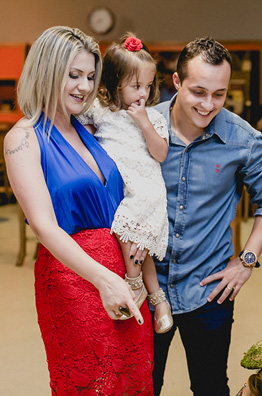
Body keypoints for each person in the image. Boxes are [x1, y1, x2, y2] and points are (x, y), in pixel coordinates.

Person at [4, 26, 152, 394]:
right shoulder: (23, 138)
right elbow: (44, 227)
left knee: (133, 379)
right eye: (73, 75)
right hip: (74, 280)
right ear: (46, 70)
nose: (84, 86)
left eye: (89, 76)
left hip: (123, 276)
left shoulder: (88, 127)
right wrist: (104, 279)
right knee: (93, 383)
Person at [150, 37, 262, 396]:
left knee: (211, 387)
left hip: (208, 290)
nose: (208, 105)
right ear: (176, 83)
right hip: (145, 288)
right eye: (198, 91)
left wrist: (246, 260)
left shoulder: (243, 139)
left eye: (219, 94)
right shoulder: (142, 127)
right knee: (141, 387)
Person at [79, 32, 174, 334]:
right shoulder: (102, 112)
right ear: (114, 82)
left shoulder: (154, 117)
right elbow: (74, 119)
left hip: (145, 189)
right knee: (139, 242)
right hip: (121, 188)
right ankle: (159, 301)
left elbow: (160, 153)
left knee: (131, 236)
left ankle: (134, 287)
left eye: (148, 86)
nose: (143, 93)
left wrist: (144, 122)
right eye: (135, 86)